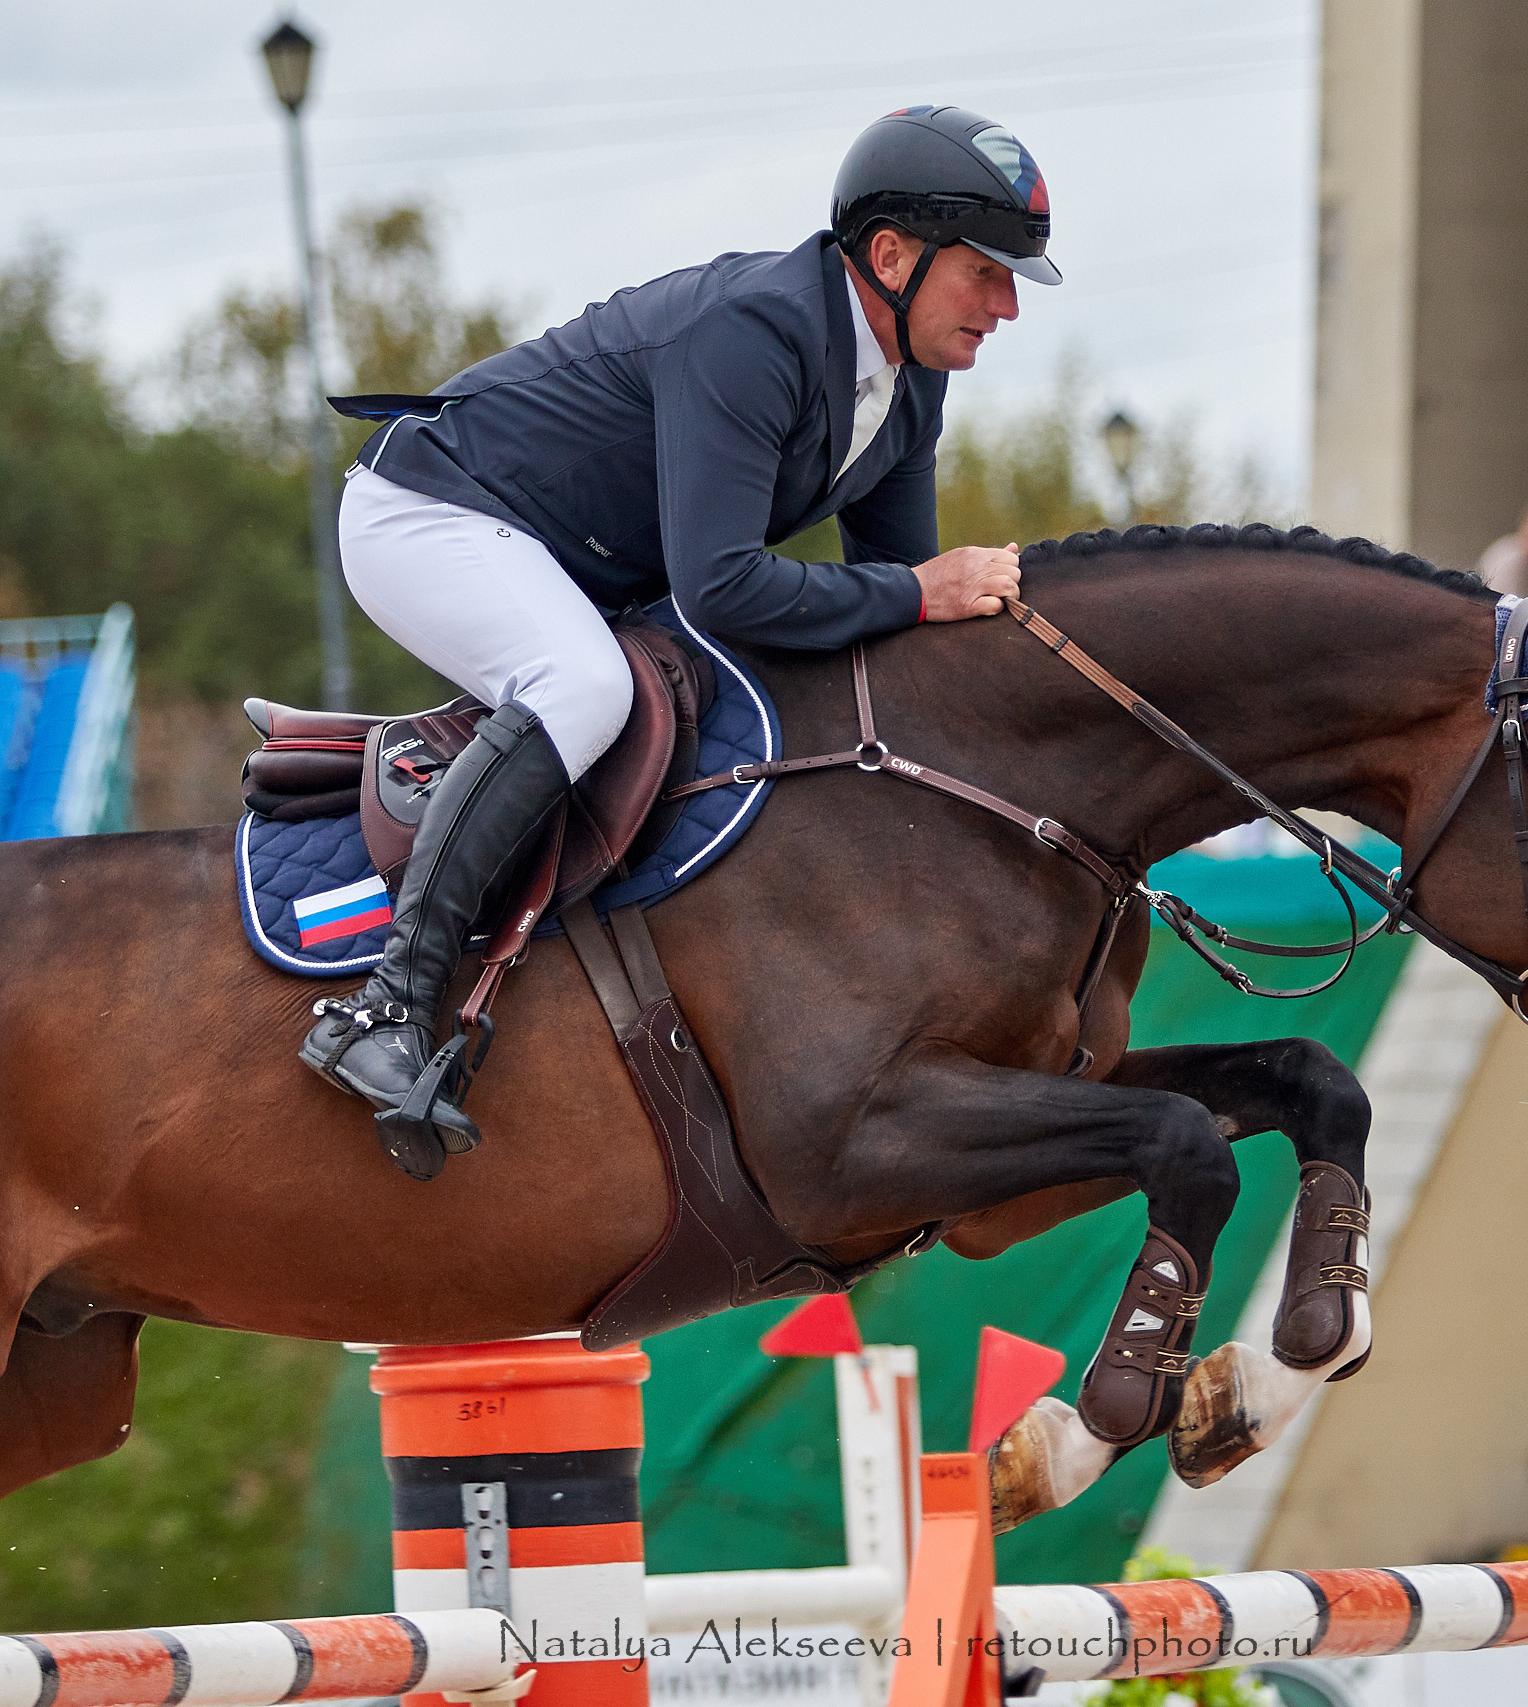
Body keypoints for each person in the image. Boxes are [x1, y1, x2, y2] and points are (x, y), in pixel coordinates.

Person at [302, 106, 1059, 1170]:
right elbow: (729, 590)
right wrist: (917, 597)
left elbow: (888, 616)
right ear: (891, 255)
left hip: (562, 556)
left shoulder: (908, 390)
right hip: (431, 513)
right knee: (583, 686)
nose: (1009, 306)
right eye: (987, 271)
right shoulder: (756, 330)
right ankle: (386, 1006)